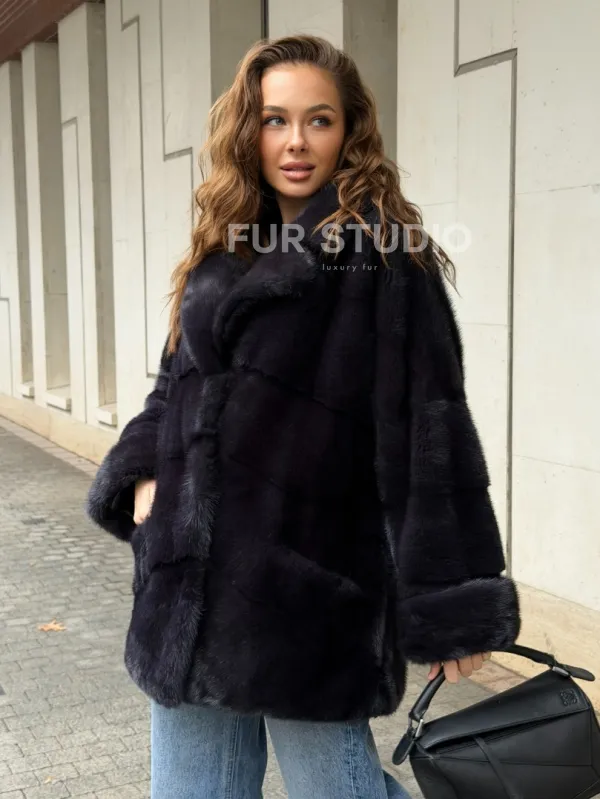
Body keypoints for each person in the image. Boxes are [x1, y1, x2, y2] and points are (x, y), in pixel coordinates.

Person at [86, 33, 521, 799]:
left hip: (308, 597)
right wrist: (144, 478)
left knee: (337, 790)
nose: (295, 141)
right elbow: (172, 391)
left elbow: (430, 432)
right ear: (246, 130)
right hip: (186, 592)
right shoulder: (221, 250)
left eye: (318, 119)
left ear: (349, 130)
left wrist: (451, 599)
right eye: (274, 119)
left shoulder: (385, 257)